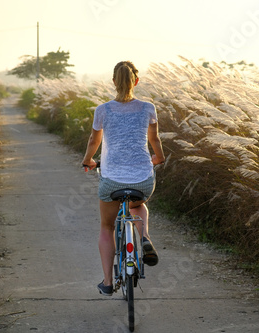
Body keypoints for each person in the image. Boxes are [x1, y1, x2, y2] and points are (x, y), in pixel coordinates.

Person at [81, 61, 165, 296]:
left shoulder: (103, 110)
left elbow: (93, 141)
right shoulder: (148, 108)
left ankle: (108, 282)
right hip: (143, 180)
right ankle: (145, 236)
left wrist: (88, 160)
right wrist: (159, 158)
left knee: (107, 226)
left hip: (112, 180)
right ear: (136, 81)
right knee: (139, 205)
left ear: (114, 82)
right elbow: (155, 140)